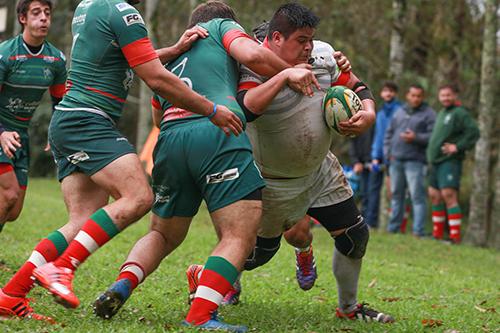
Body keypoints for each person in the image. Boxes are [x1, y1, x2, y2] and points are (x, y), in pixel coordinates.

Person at [0, 0, 246, 323]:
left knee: (80, 222)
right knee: (139, 195)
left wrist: (173, 49)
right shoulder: (123, 12)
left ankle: (11, 294)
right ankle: (61, 267)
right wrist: (212, 110)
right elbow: (155, 78)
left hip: (70, 119)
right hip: (88, 121)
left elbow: (128, 61)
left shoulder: (88, 7)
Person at [93, 2, 315, 332]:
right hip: (217, 132)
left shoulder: (171, 60)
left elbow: (157, 116)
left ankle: (123, 284)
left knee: (162, 234)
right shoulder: (221, 27)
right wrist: (287, 71)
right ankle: (201, 316)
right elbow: (252, 56)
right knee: (239, 234)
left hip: (169, 142)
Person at [205, 3, 392, 324]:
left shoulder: (322, 54)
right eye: (301, 40)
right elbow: (247, 110)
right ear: (276, 38)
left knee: (354, 236)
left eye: (311, 39)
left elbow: (358, 86)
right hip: (272, 182)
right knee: (255, 256)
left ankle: (348, 308)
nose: (308, 47)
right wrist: (284, 76)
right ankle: (218, 280)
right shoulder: (249, 64)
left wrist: (369, 112)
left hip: (321, 172)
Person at [0, 0, 66, 235]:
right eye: (36, 13)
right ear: (23, 19)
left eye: (47, 13)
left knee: (13, 210)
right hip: (1, 131)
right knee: (8, 194)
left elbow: (60, 103)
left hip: (22, 135)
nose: (43, 18)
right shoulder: (5, 54)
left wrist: (55, 133)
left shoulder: (56, 60)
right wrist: (2, 133)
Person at [427, 85, 479, 243]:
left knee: (448, 195)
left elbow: (474, 132)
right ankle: (437, 234)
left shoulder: (460, 113)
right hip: (435, 161)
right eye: (442, 95)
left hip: (449, 161)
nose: (445, 98)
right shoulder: (442, 112)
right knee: (434, 195)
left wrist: (457, 147)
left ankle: (455, 237)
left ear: (455, 95)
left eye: (448, 95)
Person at [384, 84, 435, 237]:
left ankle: (418, 231)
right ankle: (393, 228)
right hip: (396, 160)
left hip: (416, 161)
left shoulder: (429, 114)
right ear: (407, 95)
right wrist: (388, 154)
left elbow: (433, 137)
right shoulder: (400, 111)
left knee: (417, 196)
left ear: (423, 97)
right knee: (396, 195)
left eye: (419, 96)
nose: (416, 98)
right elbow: (389, 134)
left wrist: (416, 137)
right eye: (413, 95)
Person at [365, 82, 402, 229]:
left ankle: (396, 225)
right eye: (386, 91)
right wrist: (375, 155)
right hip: (378, 157)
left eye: (391, 91)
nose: (388, 94)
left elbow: (396, 136)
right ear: (381, 93)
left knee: (394, 191)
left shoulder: (400, 111)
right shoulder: (379, 113)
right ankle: (370, 222)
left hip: (394, 156)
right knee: (373, 190)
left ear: (395, 94)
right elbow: (378, 137)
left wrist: (393, 153)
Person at [349, 124, 374, 218]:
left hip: (373, 164)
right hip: (360, 164)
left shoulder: (376, 119)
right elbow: (352, 143)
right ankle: (361, 219)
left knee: (370, 194)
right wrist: (356, 162)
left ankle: (370, 220)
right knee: (362, 194)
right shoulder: (357, 121)